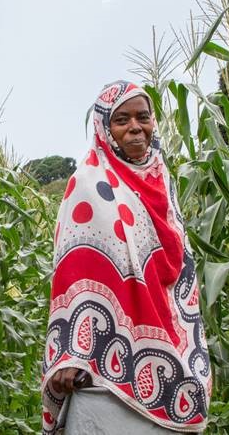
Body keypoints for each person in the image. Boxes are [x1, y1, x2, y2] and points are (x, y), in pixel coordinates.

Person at [41, 81, 211, 434]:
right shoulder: (87, 182)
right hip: (101, 372)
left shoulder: (163, 182)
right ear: (105, 129)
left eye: (143, 117)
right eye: (122, 119)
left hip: (170, 350)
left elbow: (179, 269)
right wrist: (74, 353)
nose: (135, 127)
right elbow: (77, 270)